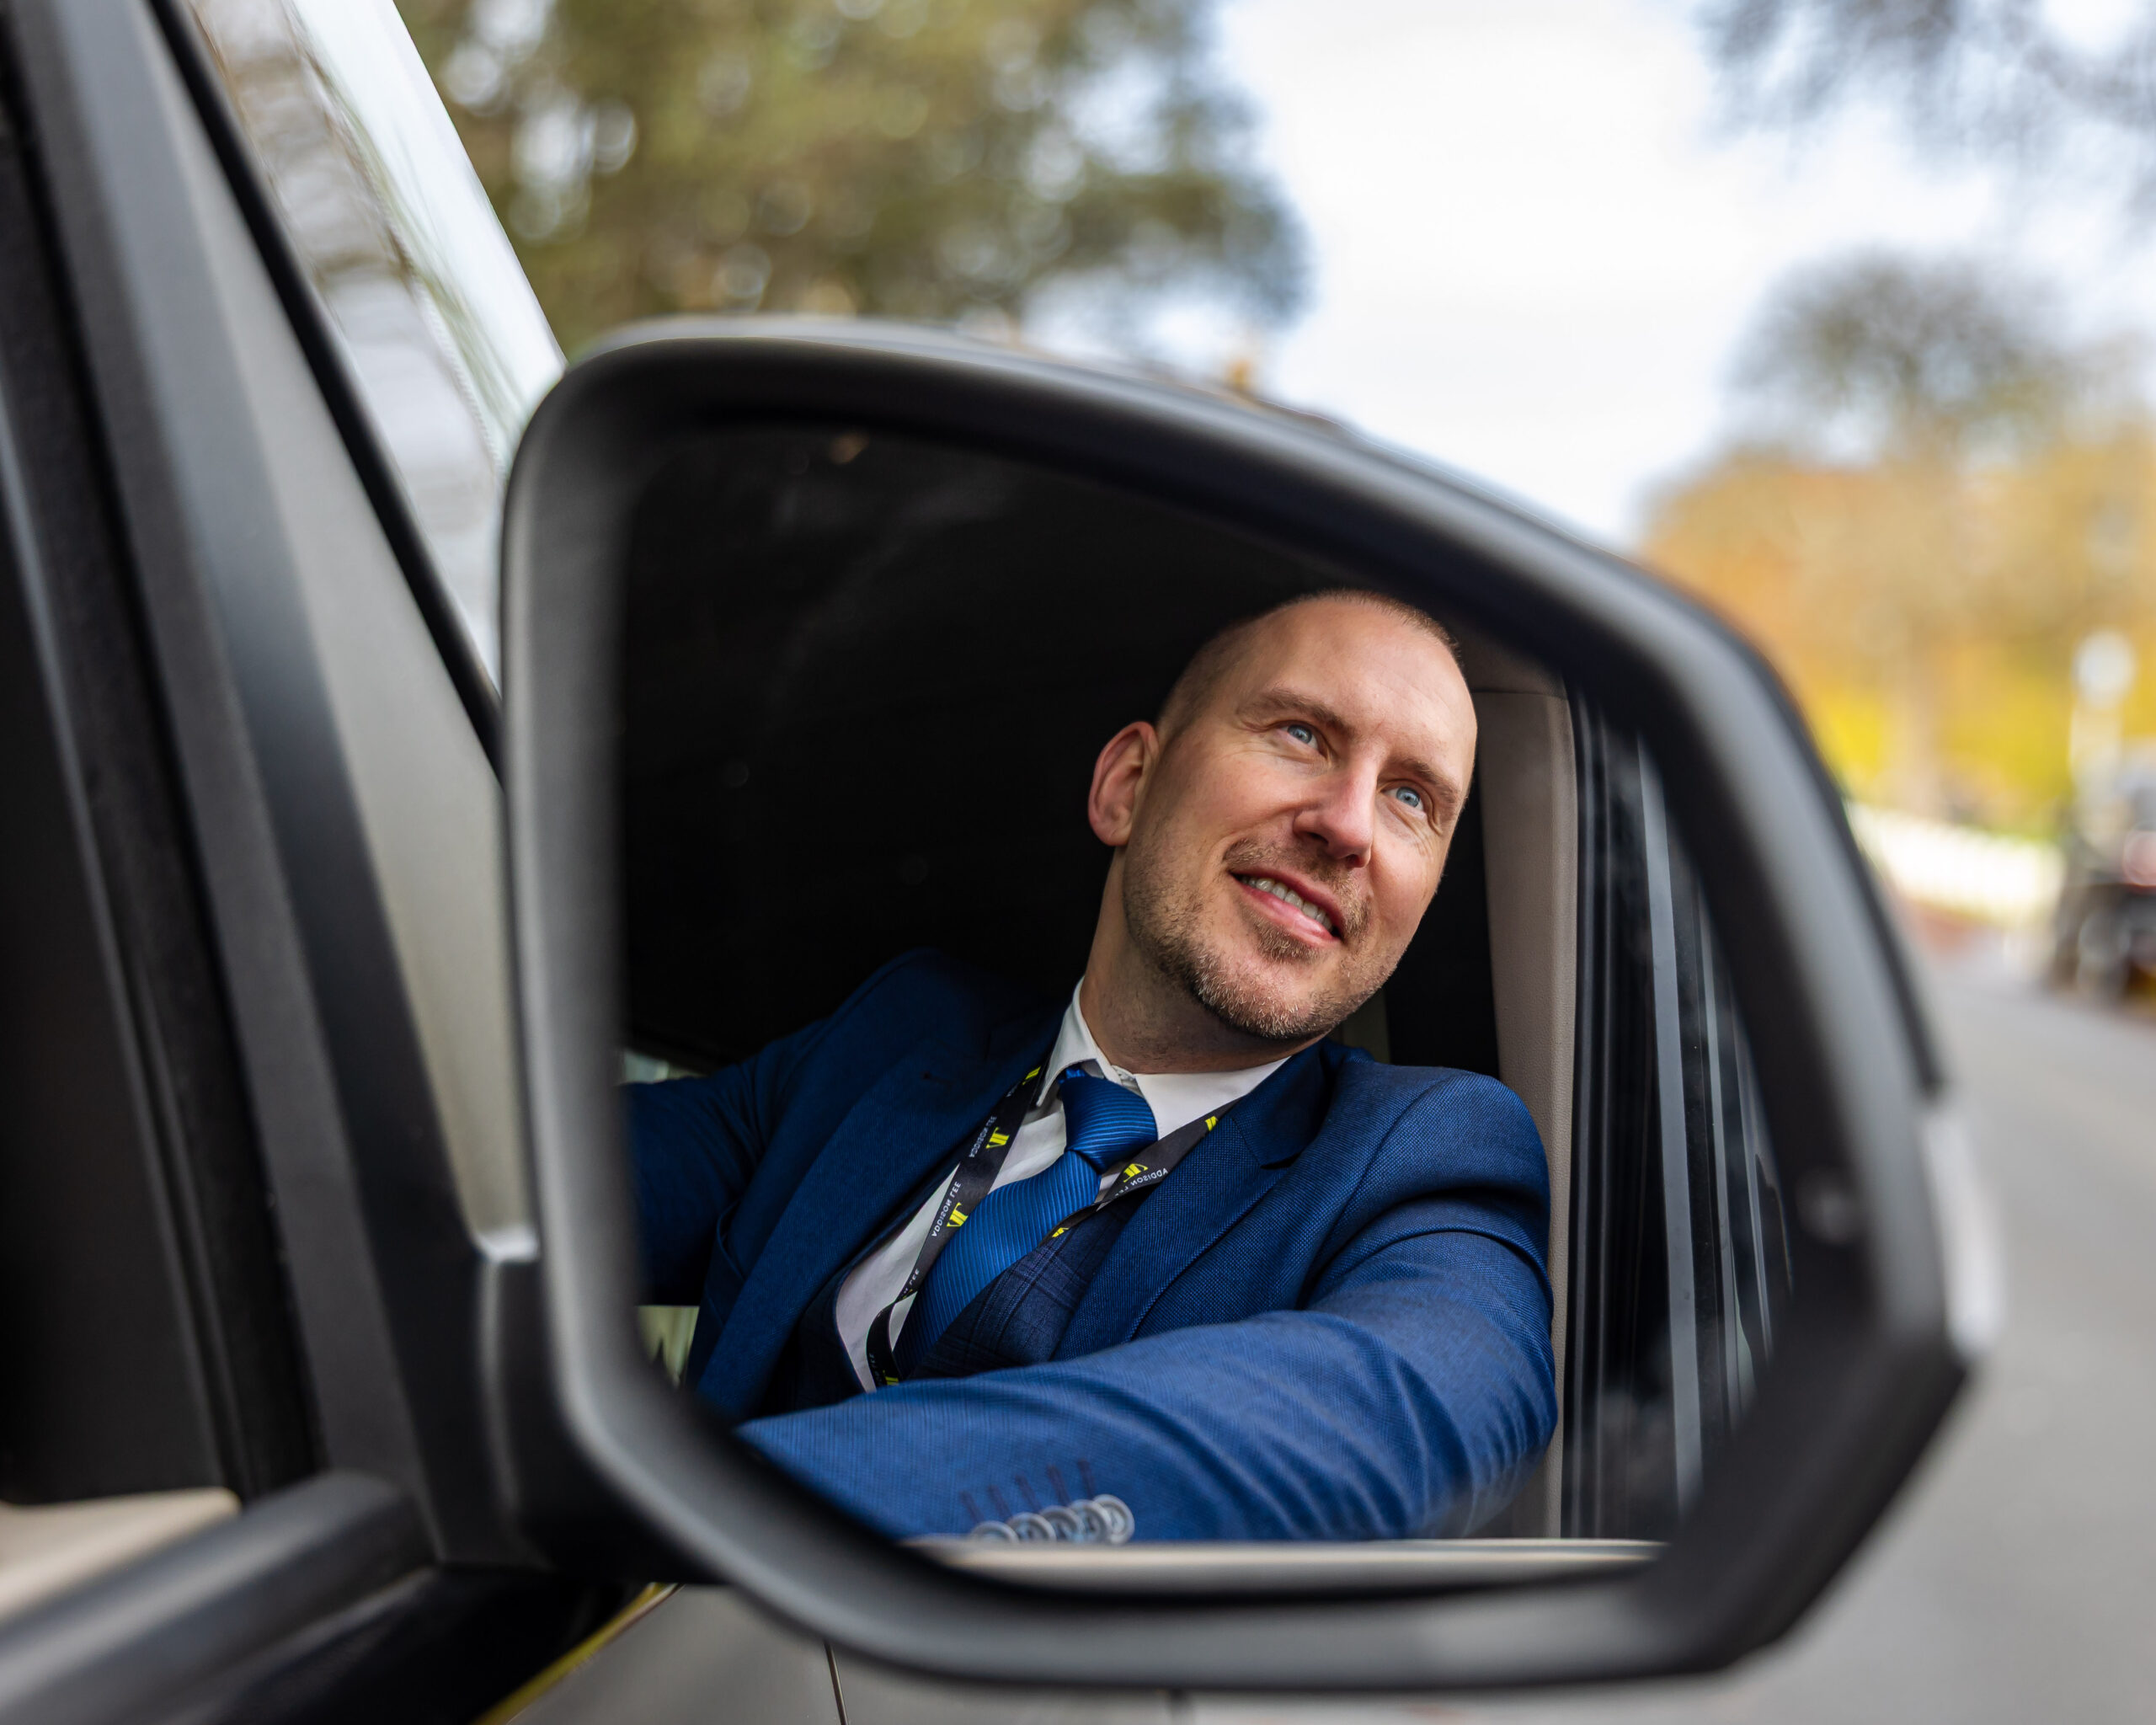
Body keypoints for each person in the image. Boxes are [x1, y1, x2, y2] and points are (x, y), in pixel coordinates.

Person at [627, 590, 1556, 1542]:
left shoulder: (1429, 1152)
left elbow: (1420, 1406)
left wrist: (680, 1495)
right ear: (1128, 786)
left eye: (1412, 798)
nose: (1350, 825)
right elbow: (555, 1189)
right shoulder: (892, 1037)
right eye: (1302, 735)